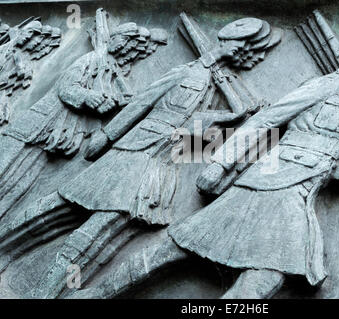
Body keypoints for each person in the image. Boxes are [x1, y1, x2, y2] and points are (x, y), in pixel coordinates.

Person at [73, 21, 339, 299]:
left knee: (252, 272)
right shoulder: (327, 85)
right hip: (269, 186)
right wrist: (221, 163)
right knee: (186, 248)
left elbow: (327, 149)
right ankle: (97, 293)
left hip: (298, 190)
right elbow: (266, 122)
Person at [27, 17, 281, 298]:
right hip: (135, 153)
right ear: (224, 41)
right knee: (63, 209)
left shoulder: (217, 85)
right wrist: (108, 136)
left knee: (108, 229)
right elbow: (142, 103)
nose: (241, 51)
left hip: (163, 163)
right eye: (239, 43)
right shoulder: (186, 72)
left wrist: (235, 119)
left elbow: (193, 134)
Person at [0, 8, 167, 271]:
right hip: (35, 128)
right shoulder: (91, 59)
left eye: (134, 49)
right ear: (115, 41)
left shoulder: (111, 70)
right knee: (3, 177)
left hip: (55, 140)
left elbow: (111, 99)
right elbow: (67, 88)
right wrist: (90, 99)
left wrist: (115, 103)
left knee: (16, 188)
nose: (130, 52)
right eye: (126, 44)